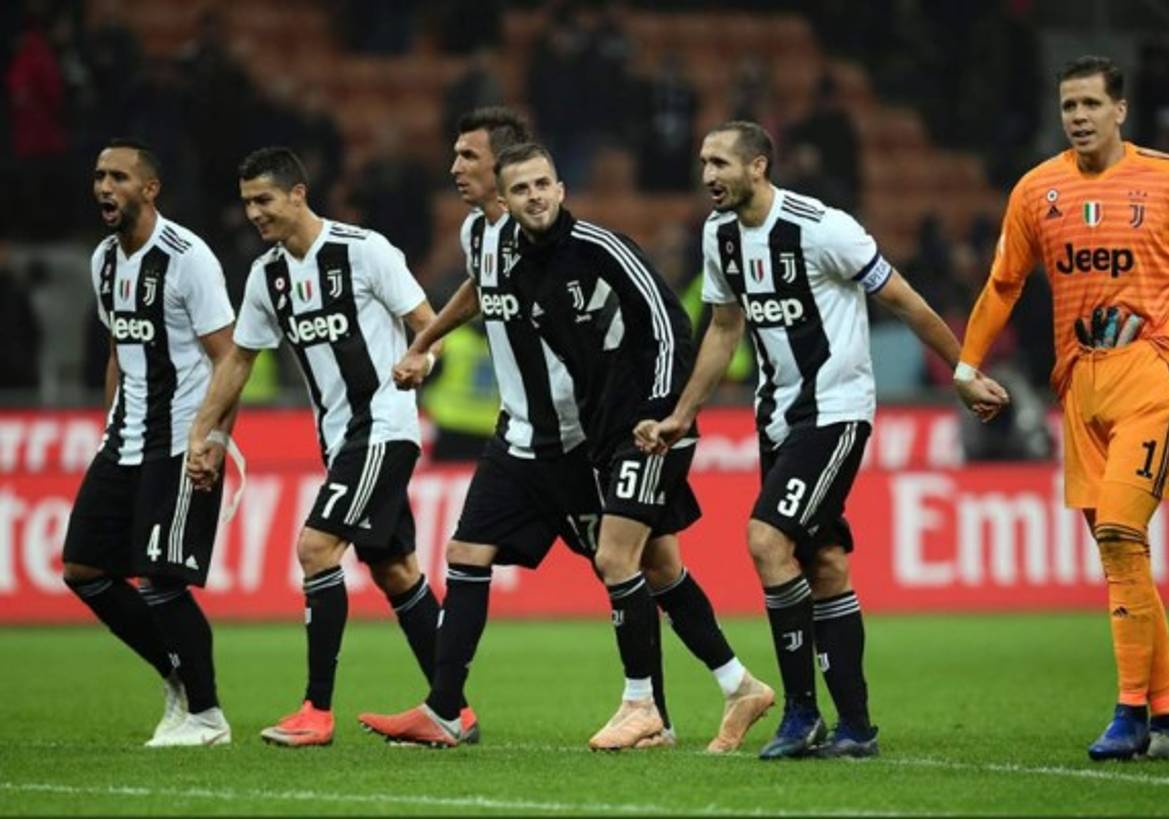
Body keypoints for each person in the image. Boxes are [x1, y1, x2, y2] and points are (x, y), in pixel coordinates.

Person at [358, 109, 772, 753]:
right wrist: (427, 339)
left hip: (593, 438)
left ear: (522, 177)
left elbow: (667, 324)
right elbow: (479, 288)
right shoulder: (494, 245)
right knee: (481, 556)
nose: (456, 169)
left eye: (468, 158)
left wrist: (666, 410)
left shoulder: (589, 249)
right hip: (523, 438)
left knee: (639, 564)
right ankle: (447, 709)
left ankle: (662, 706)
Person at [635, 121, 1007, 759]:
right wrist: (682, 414)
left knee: (765, 539)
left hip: (836, 413)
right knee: (826, 563)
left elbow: (907, 303)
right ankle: (856, 728)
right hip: (775, 418)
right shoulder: (718, 235)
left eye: (720, 162)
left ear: (758, 167)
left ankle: (800, 712)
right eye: (703, 163)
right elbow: (724, 329)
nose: (707, 176)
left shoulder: (821, 227)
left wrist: (964, 375)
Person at [955, 56, 1169, 762]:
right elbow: (1003, 282)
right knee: (1122, 556)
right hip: (1079, 387)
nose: (1077, 116)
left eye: (1090, 104)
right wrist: (965, 363)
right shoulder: (1037, 191)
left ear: (1120, 110)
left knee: (1119, 534)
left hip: (1154, 373)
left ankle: (1129, 712)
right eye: (1068, 105)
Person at [490, 141, 775, 751]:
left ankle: (641, 704)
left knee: (614, 560)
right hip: (606, 434)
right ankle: (739, 685)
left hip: (650, 429)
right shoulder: (521, 270)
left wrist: (664, 414)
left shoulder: (602, 247)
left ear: (561, 188)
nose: (534, 196)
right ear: (505, 201)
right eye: (520, 189)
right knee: (660, 566)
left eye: (543, 183)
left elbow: (671, 325)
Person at [186, 147, 471, 748]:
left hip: (383, 429)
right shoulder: (267, 276)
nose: (254, 214)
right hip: (341, 441)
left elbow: (428, 321)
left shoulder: (363, 251)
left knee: (316, 547)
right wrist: (207, 433)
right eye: (246, 204)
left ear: (297, 193)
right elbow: (240, 358)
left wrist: (424, 355)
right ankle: (455, 712)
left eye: (263, 199)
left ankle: (316, 709)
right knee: (396, 572)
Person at [61, 139, 236, 746]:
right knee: (84, 570)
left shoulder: (188, 259)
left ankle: (207, 715)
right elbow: (119, 350)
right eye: (98, 176)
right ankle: (177, 678)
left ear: (149, 188)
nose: (104, 187)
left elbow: (229, 358)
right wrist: (108, 424)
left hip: (179, 441)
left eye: (118, 177)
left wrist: (212, 439)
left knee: (160, 581)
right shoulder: (104, 260)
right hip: (124, 442)